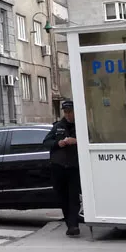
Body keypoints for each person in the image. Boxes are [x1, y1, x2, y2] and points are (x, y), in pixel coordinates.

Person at [43, 99, 81, 236]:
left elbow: (91, 139)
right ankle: (70, 224)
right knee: (63, 197)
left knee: (74, 197)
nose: (68, 115)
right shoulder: (58, 126)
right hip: (58, 167)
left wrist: (76, 141)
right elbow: (46, 142)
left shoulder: (80, 125)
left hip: (74, 167)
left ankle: (74, 225)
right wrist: (58, 143)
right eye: (65, 112)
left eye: (70, 112)